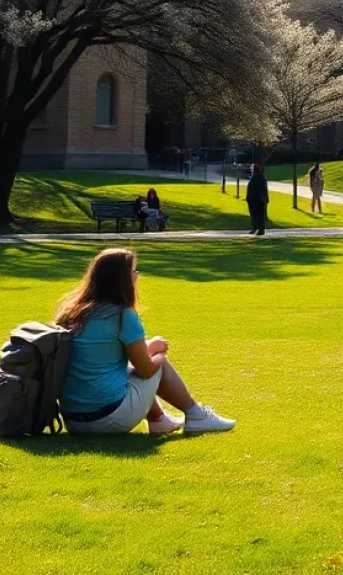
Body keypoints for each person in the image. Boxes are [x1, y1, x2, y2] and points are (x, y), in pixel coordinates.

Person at [55, 248, 235, 435]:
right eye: (133, 271)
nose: (137, 275)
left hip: (73, 420)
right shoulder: (122, 316)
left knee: (124, 369)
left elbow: (103, 355)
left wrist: (148, 347)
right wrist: (158, 351)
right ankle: (197, 416)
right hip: (107, 419)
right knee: (158, 362)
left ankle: (158, 419)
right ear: (122, 279)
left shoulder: (71, 313)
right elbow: (146, 369)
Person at [246, 164, 269, 237]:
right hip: (256, 199)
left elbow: (260, 190)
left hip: (257, 200)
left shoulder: (258, 179)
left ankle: (260, 229)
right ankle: (255, 228)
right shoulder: (260, 179)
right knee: (256, 214)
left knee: (258, 215)